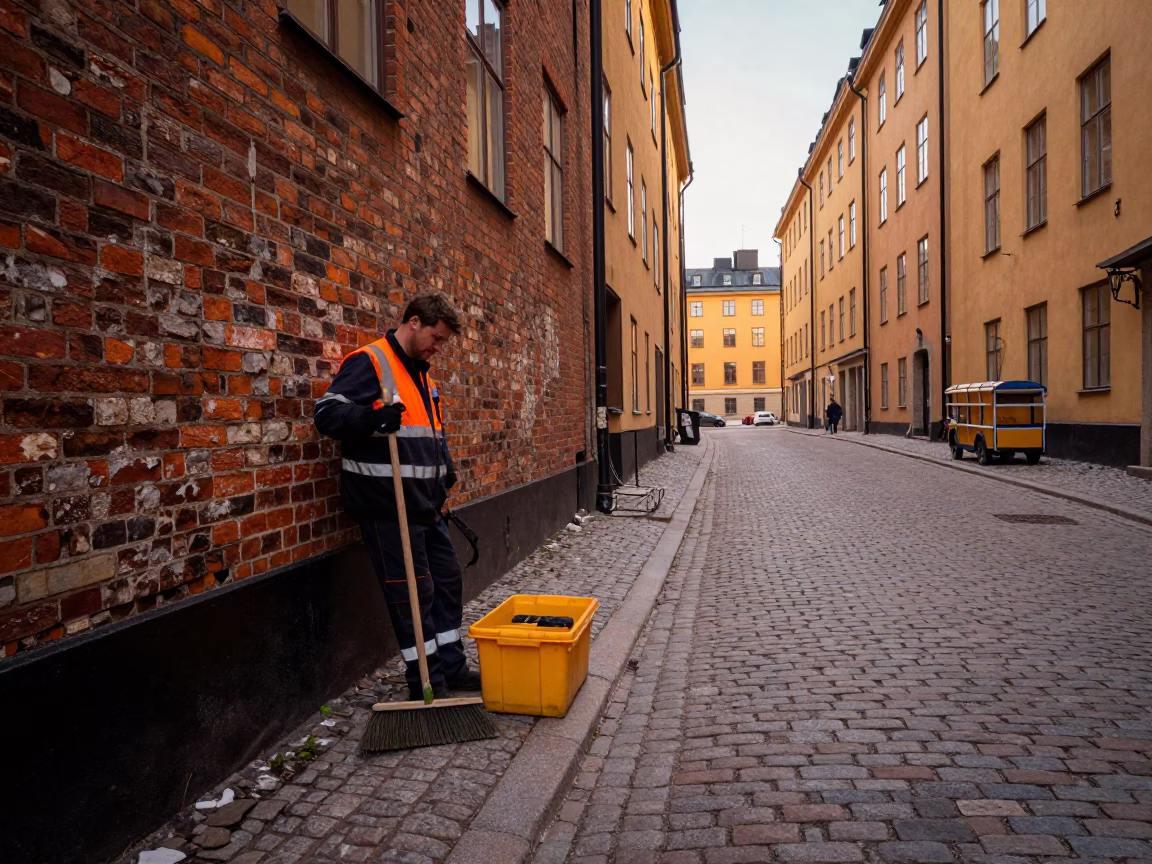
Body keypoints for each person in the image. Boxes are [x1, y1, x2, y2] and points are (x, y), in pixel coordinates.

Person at [313, 292, 480, 700]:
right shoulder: (371, 362)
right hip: (386, 506)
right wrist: (370, 418)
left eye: (443, 342)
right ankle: (425, 680)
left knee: (446, 581)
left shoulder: (423, 375)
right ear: (415, 322)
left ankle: (451, 667)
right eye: (437, 339)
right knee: (412, 594)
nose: (438, 349)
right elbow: (326, 414)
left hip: (425, 505)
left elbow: (429, 432)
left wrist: (445, 467)